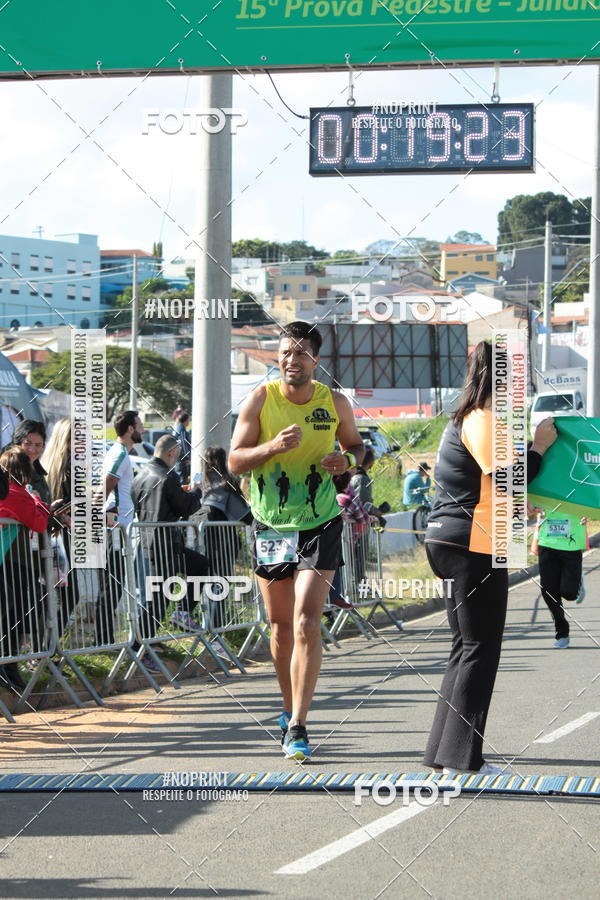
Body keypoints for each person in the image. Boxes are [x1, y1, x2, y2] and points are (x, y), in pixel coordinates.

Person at [228, 320, 364, 760]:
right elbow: (234, 460)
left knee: (307, 621)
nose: (292, 360)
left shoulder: (335, 402)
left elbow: (362, 450)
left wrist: (347, 461)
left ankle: (300, 725)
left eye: (301, 354)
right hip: (271, 524)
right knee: (280, 626)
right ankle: (288, 712)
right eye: (285, 353)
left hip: (321, 520)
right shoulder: (260, 400)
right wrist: (272, 448)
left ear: (316, 361)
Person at [422, 340, 557, 776]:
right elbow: (507, 476)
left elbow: (486, 486)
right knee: (480, 649)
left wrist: (521, 507)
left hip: (454, 541)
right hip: (472, 545)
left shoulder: (466, 418)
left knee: (465, 648)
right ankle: (463, 760)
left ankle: (443, 755)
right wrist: (539, 447)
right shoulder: (482, 419)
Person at [132, 435, 209, 636]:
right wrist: (197, 492)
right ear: (172, 452)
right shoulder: (167, 476)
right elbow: (186, 507)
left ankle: (177, 615)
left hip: (148, 542)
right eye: (178, 455)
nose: (177, 459)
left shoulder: (140, 476)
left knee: (198, 566)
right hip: (166, 543)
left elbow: (157, 502)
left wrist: (180, 494)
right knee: (158, 597)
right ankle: (141, 643)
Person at [0, 448, 53, 693]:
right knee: (15, 614)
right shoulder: (17, 494)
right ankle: (8, 666)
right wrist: (39, 500)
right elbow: (40, 522)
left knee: (15, 613)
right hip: (14, 564)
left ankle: (10, 665)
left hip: (16, 563)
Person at [97, 410, 144, 647]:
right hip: (115, 527)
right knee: (111, 584)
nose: (143, 429)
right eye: (140, 425)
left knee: (114, 584)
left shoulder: (122, 452)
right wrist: (102, 511)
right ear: (129, 429)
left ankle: (106, 637)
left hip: (120, 527)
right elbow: (108, 481)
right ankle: (103, 638)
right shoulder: (118, 453)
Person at [196, 446, 253, 639]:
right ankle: (216, 631)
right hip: (222, 541)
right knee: (220, 584)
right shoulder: (227, 483)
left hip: (199, 539)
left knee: (204, 582)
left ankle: (204, 627)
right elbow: (245, 514)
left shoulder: (198, 483)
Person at [532, 506, 586, 649]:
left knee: (569, 593)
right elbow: (524, 495)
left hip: (571, 544)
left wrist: (588, 514)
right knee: (548, 591)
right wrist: (527, 506)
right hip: (547, 542)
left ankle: (578, 581)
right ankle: (562, 632)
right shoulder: (540, 482)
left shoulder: (580, 482)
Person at [12, 419, 51, 505]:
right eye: (27, 444)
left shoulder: (38, 472)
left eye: (38, 445)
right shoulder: (9, 472)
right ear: (17, 444)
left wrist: (52, 509)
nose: (32, 449)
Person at [350, 448, 389, 524]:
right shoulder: (362, 479)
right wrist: (377, 512)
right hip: (357, 524)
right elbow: (364, 503)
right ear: (371, 462)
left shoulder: (354, 475)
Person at [173, 412, 192, 484]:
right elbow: (183, 444)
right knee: (182, 478)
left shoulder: (177, 428)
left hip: (177, 457)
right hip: (181, 458)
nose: (189, 422)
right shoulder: (182, 430)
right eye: (189, 420)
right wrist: (187, 457)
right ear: (186, 420)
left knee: (180, 476)